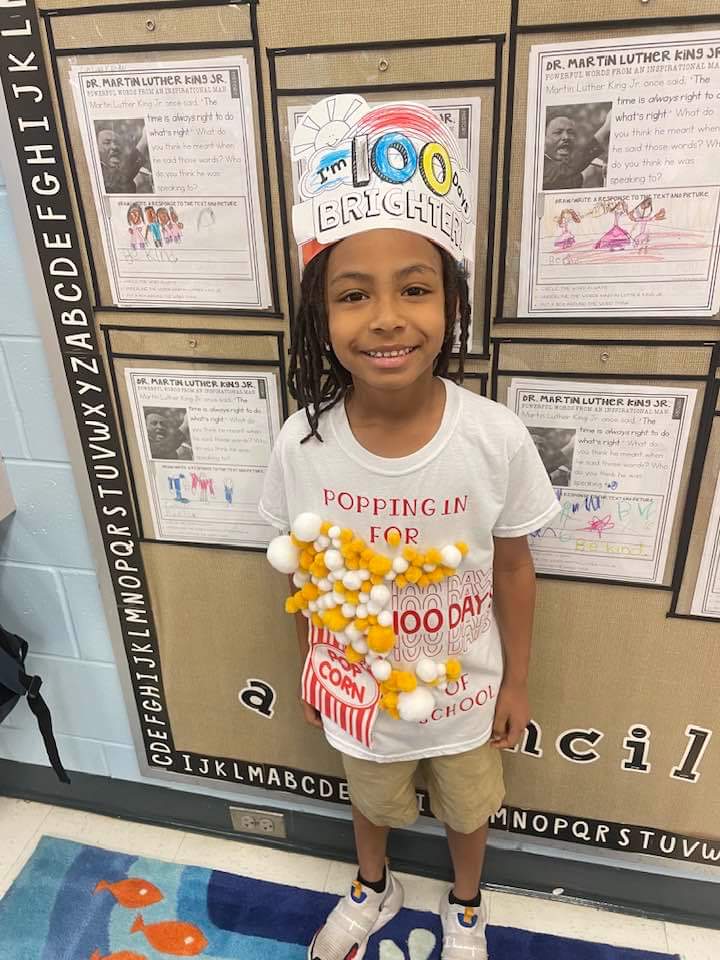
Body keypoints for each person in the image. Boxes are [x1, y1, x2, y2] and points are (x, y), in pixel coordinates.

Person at [259, 96, 560, 960]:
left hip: (466, 697)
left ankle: (465, 905)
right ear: (321, 317)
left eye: (415, 289)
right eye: (354, 295)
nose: (387, 317)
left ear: (451, 303)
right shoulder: (303, 442)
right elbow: (301, 571)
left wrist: (517, 682)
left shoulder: (494, 437)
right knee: (372, 801)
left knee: (469, 808)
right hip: (361, 696)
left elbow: (514, 570)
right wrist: (314, 664)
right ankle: (373, 884)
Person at [543, 109, 611, 191]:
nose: (566, 137)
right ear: (543, 138)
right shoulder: (539, 164)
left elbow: (564, 184)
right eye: (558, 132)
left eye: (570, 132)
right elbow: (565, 173)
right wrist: (605, 128)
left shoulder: (573, 169)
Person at [96, 125, 152, 194]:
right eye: (107, 143)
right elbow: (119, 180)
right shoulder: (95, 172)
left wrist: (135, 183)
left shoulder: (118, 172)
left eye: (117, 143)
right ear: (96, 148)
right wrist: (144, 141)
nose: (115, 147)